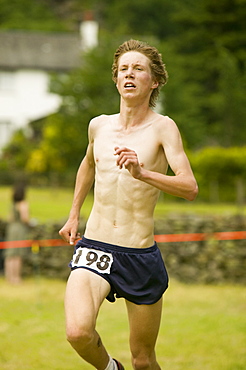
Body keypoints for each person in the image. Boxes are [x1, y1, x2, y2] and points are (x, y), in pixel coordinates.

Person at [59, 39, 198, 370]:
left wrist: (143, 173)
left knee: (144, 361)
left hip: (138, 253)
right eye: (123, 69)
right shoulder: (99, 125)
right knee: (78, 332)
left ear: (155, 81)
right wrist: (74, 213)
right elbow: (89, 163)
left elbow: (189, 187)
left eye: (138, 69)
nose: (129, 75)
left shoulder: (164, 128)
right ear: (116, 79)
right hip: (95, 245)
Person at [4, 182, 30, 284]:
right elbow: (25, 218)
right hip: (19, 230)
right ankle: (16, 278)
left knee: (10, 254)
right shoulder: (23, 203)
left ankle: (9, 276)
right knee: (18, 254)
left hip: (11, 229)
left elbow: (10, 218)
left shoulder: (13, 204)